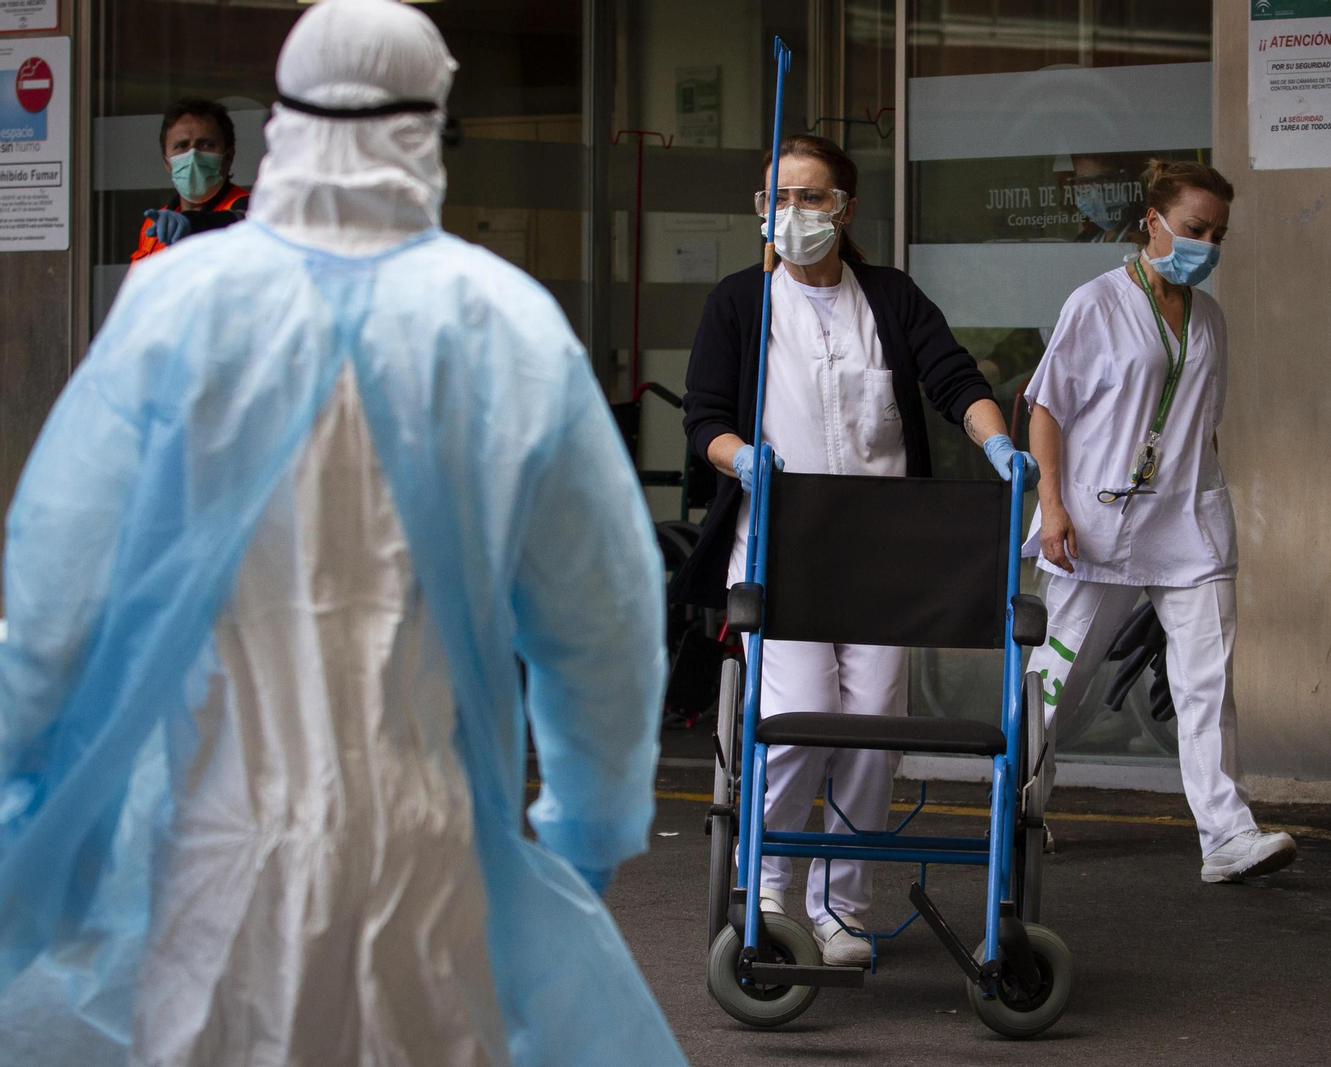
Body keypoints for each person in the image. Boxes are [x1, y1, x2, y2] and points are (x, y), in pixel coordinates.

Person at [0, 2, 685, 1065]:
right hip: (427, 845)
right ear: (431, 126)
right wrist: (587, 826)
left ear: (280, 123)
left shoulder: (178, 305)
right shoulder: (502, 323)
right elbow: (603, 619)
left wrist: (29, 789)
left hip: (212, 841)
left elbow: (55, 584)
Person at [674, 134, 1040, 966]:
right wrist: (740, 456)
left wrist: (997, 446)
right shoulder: (741, 302)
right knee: (799, 719)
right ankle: (768, 890)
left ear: (843, 208)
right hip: (781, 542)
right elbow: (703, 418)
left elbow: (955, 380)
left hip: (884, 547)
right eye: (777, 198)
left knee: (874, 726)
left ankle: (840, 907)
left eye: (809, 196)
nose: (792, 213)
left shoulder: (889, 296)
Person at [1024, 158, 1297, 884]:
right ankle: (1015, 810)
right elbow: (1045, 409)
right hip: (1098, 523)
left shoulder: (1210, 318)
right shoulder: (1097, 303)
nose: (1206, 245)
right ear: (1152, 222)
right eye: (1194, 228)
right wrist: (1051, 506)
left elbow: (1203, 421)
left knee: (1208, 682)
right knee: (1054, 684)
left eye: (1217, 235)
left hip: (1189, 526)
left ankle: (1227, 835)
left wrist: (1207, 486)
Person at [130, 98, 250, 263]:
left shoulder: (252, 210)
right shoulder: (155, 222)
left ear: (229, 156)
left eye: (206, 145)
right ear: (167, 162)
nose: (193, 155)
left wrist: (191, 223)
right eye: (182, 145)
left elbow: (240, 222)